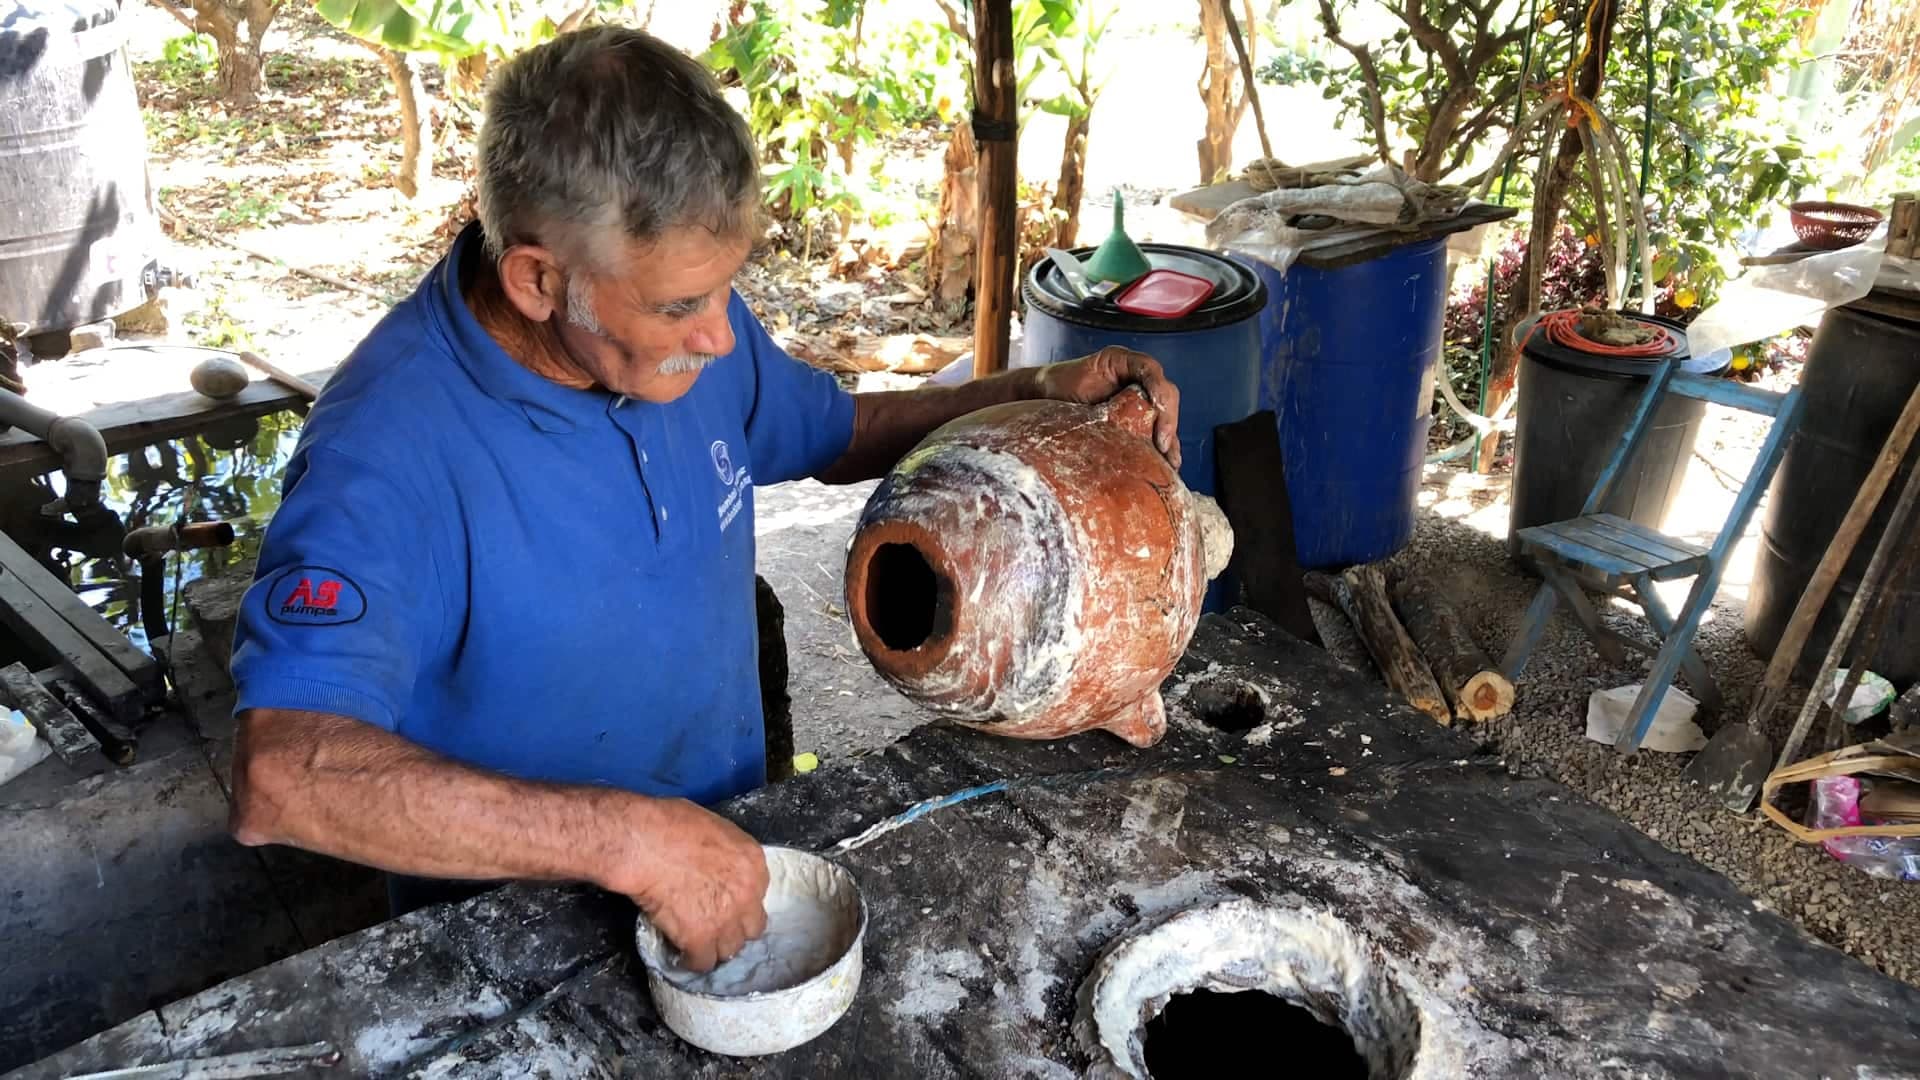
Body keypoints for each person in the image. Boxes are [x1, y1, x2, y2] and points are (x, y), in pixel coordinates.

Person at [224, 25, 1180, 974]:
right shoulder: (385, 455)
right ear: (537, 280)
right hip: (521, 951)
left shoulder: (681, 340)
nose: (721, 337)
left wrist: (1032, 394)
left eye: (728, 289)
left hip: (726, 857)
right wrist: (626, 842)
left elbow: (836, 431)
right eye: (681, 305)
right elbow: (287, 774)